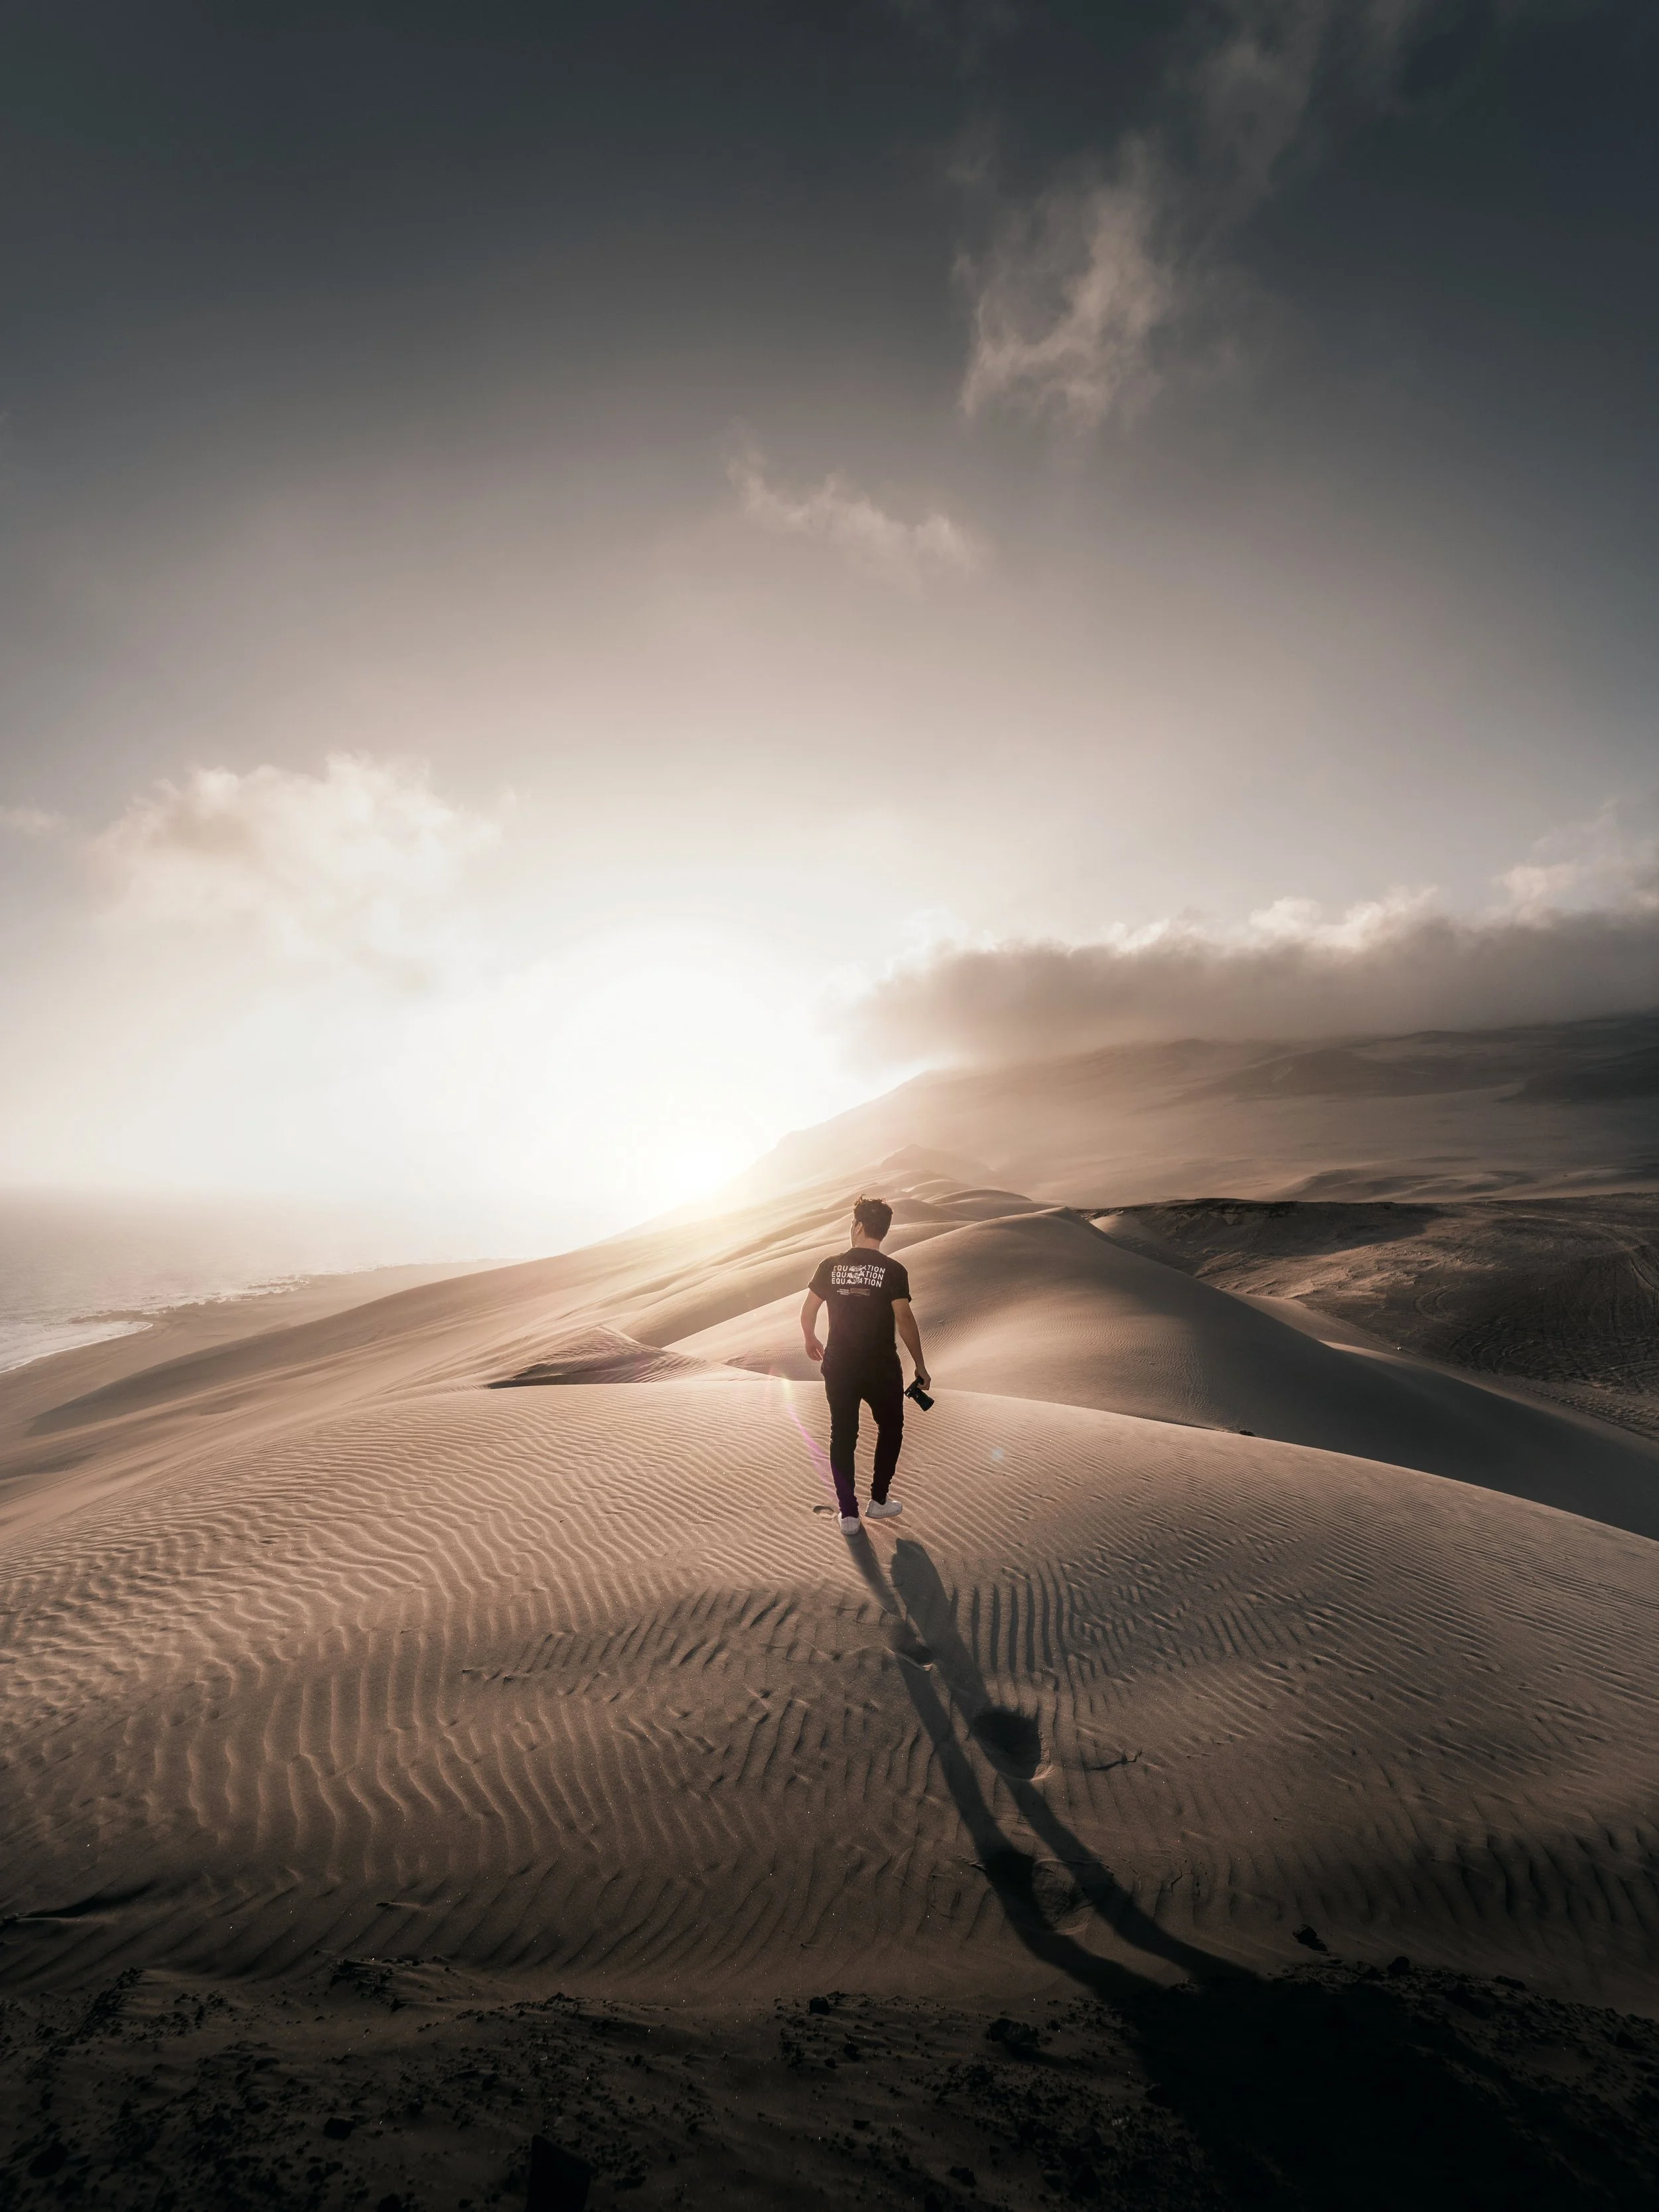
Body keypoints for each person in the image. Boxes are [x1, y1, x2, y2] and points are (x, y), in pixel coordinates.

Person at [800, 1193, 931, 1534]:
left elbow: (810, 1307)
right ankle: (879, 1500)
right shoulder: (894, 1270)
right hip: (881, 1368)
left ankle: (848, 1515)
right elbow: (904, 1317)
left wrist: (810, 1338)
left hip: (840, 1365)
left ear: (857, 1226)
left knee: (842, 1435)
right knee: (891, 1429)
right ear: (882, 1232)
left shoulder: (830, 1265)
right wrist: (920, 1364)